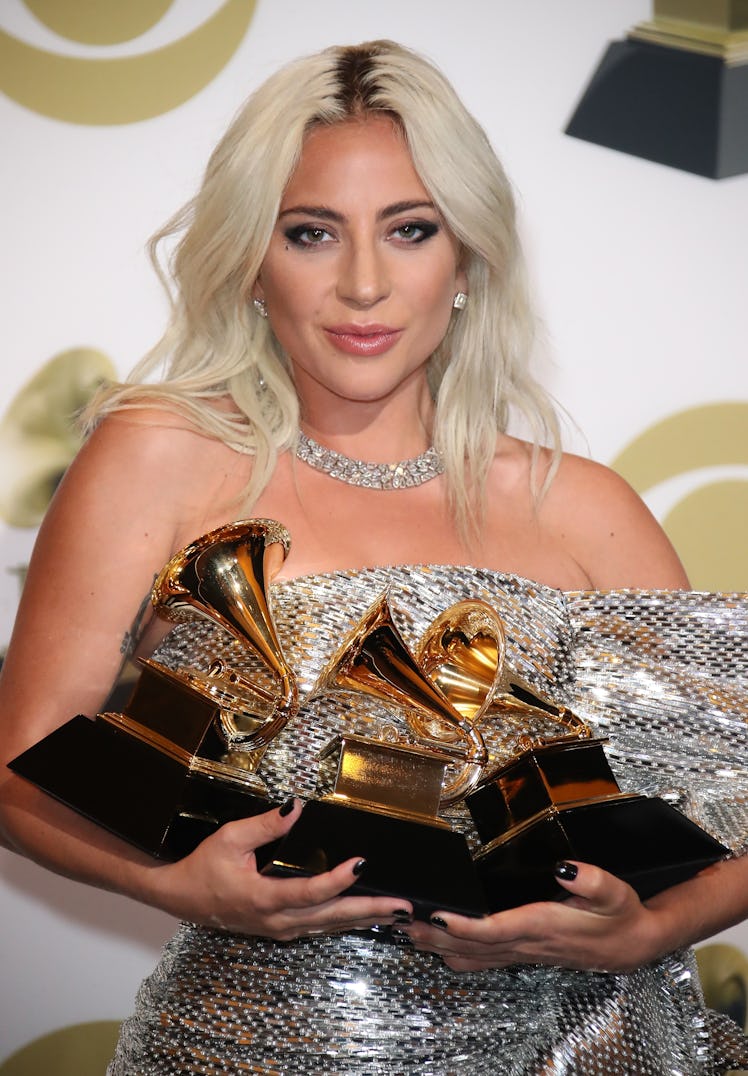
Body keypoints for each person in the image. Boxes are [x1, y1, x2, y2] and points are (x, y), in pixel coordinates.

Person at [1, 39, 746, 1075]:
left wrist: (651, 928)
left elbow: (729, 804)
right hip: (241, 1047)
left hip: (573, 1046)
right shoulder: (158, 456)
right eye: (311, 232)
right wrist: (176, 887)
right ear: (254, 258)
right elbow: (18, 763)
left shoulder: (580, 505)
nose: (362, 284)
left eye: (409, 230)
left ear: (467, 257)